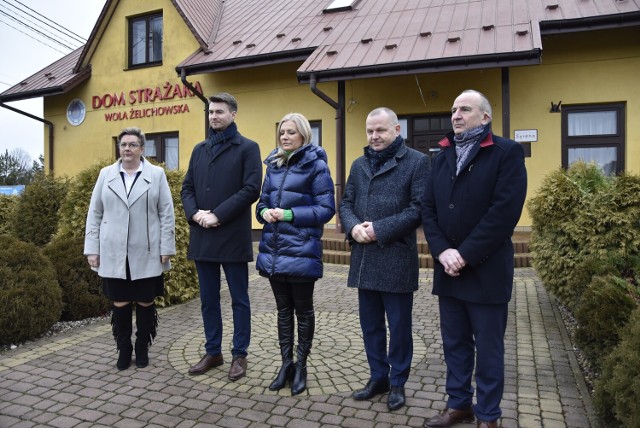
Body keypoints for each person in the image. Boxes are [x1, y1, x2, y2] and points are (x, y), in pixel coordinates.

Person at [422, 90, 527, 428]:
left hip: (486, 270)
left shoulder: (506, 152)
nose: (455, 114)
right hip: (448, 271)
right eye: (453, 109)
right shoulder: (441, 155)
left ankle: (489, 414)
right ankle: (459, 405)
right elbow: (429, 209)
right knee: (454, 344)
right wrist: (442, 251)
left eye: (464, 109)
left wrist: (464, 254)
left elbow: (504, 212)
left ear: (485, 117)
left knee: (489, 349)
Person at [339, 107, 430, 411]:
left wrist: (379, 229)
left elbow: (418, 209)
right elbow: (347, 202)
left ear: (396, 130)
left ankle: (398, 383)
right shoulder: (358, 164)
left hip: (396, 257)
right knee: (371, 326)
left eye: (380, 130)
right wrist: (353, 226)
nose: (374, 137)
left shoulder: (417, 162)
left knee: (399, 327)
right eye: (370, 131)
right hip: (364, 257)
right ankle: (378, 377)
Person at [181, 92, 262, 381]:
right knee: (208, 299)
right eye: (211, 112)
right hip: (202, 235)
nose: (214, 116)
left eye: (219, 111)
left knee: (239, 299)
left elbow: (252, 188)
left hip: (231, 235)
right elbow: (187, 188)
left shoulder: (248, 148)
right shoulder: (199, 149)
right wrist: (196, 214)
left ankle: (240, 355)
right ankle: (213, 352)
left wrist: (217, 214)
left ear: (233, 114)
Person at [256, 113, 335, 395]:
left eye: (291, 132)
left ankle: (301, 366)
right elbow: (261, 204)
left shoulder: (316, 165)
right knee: (282, 311)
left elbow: (326, 210)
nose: (285, 137)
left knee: (303, 311)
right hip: (275, 251)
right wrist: (264, 212)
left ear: (303, 135)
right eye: (282, 132)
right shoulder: (274, 166)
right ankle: (285, 364)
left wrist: (289, 214)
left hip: (301, 250)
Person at [84, 126, 176, 371]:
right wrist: (92, 249)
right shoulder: (106, 174)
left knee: (146, 301)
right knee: (120, 302)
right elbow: (94, 213)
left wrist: (166, 246)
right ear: (119, 148)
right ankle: (124, 348)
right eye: (123, 144)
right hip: (113, 250)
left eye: (132, 144)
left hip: (146, 250)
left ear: (142, 149)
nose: (127, 149)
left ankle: (142, 346)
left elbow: (166, 213)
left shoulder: (156, 175)